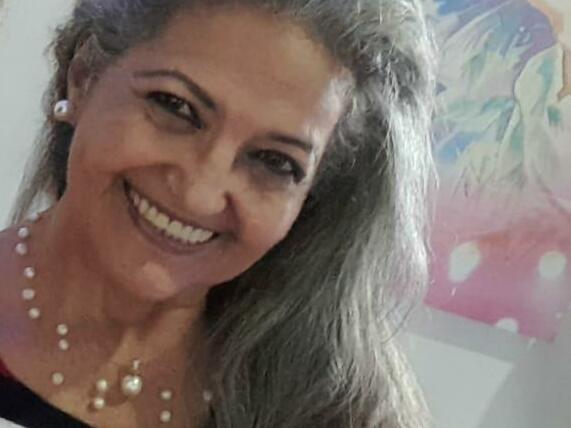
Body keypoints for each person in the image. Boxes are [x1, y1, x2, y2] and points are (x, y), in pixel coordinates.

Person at [0, 0, 436, 427]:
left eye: (274, 161)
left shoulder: (336, 413)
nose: (200, 196)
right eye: (175, 106)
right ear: (84, 77)